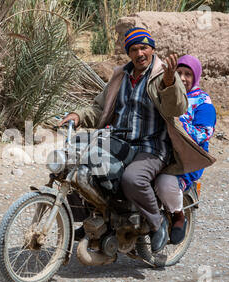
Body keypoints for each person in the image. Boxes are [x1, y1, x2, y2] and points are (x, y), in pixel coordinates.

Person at [60, 27, 215, 254]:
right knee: (78, 153)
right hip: (119, 140)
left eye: (144, 47)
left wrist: (170, 84)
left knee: (133, 179)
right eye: (134, 49)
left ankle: (157, 222)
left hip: (152, 147)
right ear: (129, 53)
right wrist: (78, 115)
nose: (140, 53)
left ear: (152, 48)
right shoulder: (120, 76)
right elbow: (98, 107)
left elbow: (177, 108)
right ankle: (92, 217)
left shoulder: (164, 75)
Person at [154, 55, 216, 245]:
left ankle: (178, 215)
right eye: (178, 72)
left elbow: (203, 134)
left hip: (186, 158)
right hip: (159, 150)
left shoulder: (203, 102)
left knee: (165, 183)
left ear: (196, 76)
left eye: (188, 74)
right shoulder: (165, 93)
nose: (182, 78)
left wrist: (177, 123)